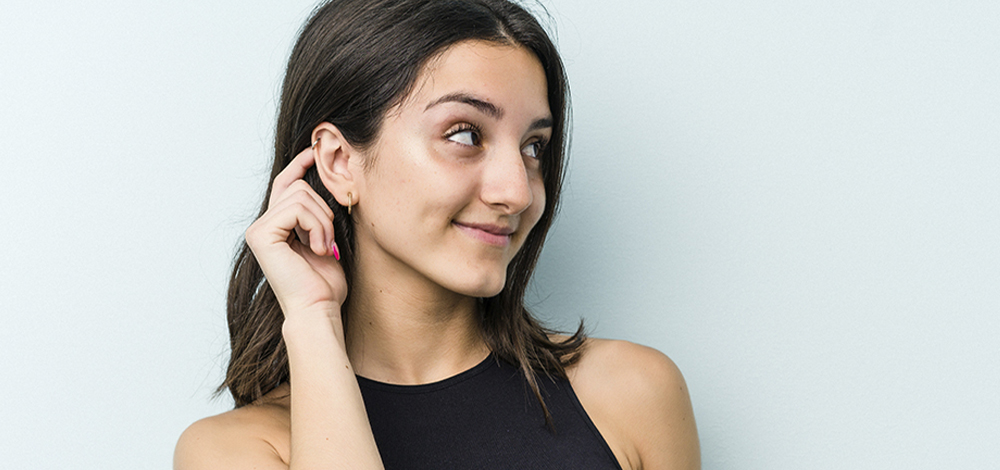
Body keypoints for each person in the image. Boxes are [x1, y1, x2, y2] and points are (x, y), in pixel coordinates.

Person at [174, 0, 699, 468]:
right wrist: (312, 319)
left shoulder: (633, 395)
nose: (517, 192)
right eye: (465, 134)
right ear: (338, 162)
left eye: (533, 147)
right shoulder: (234, 451)